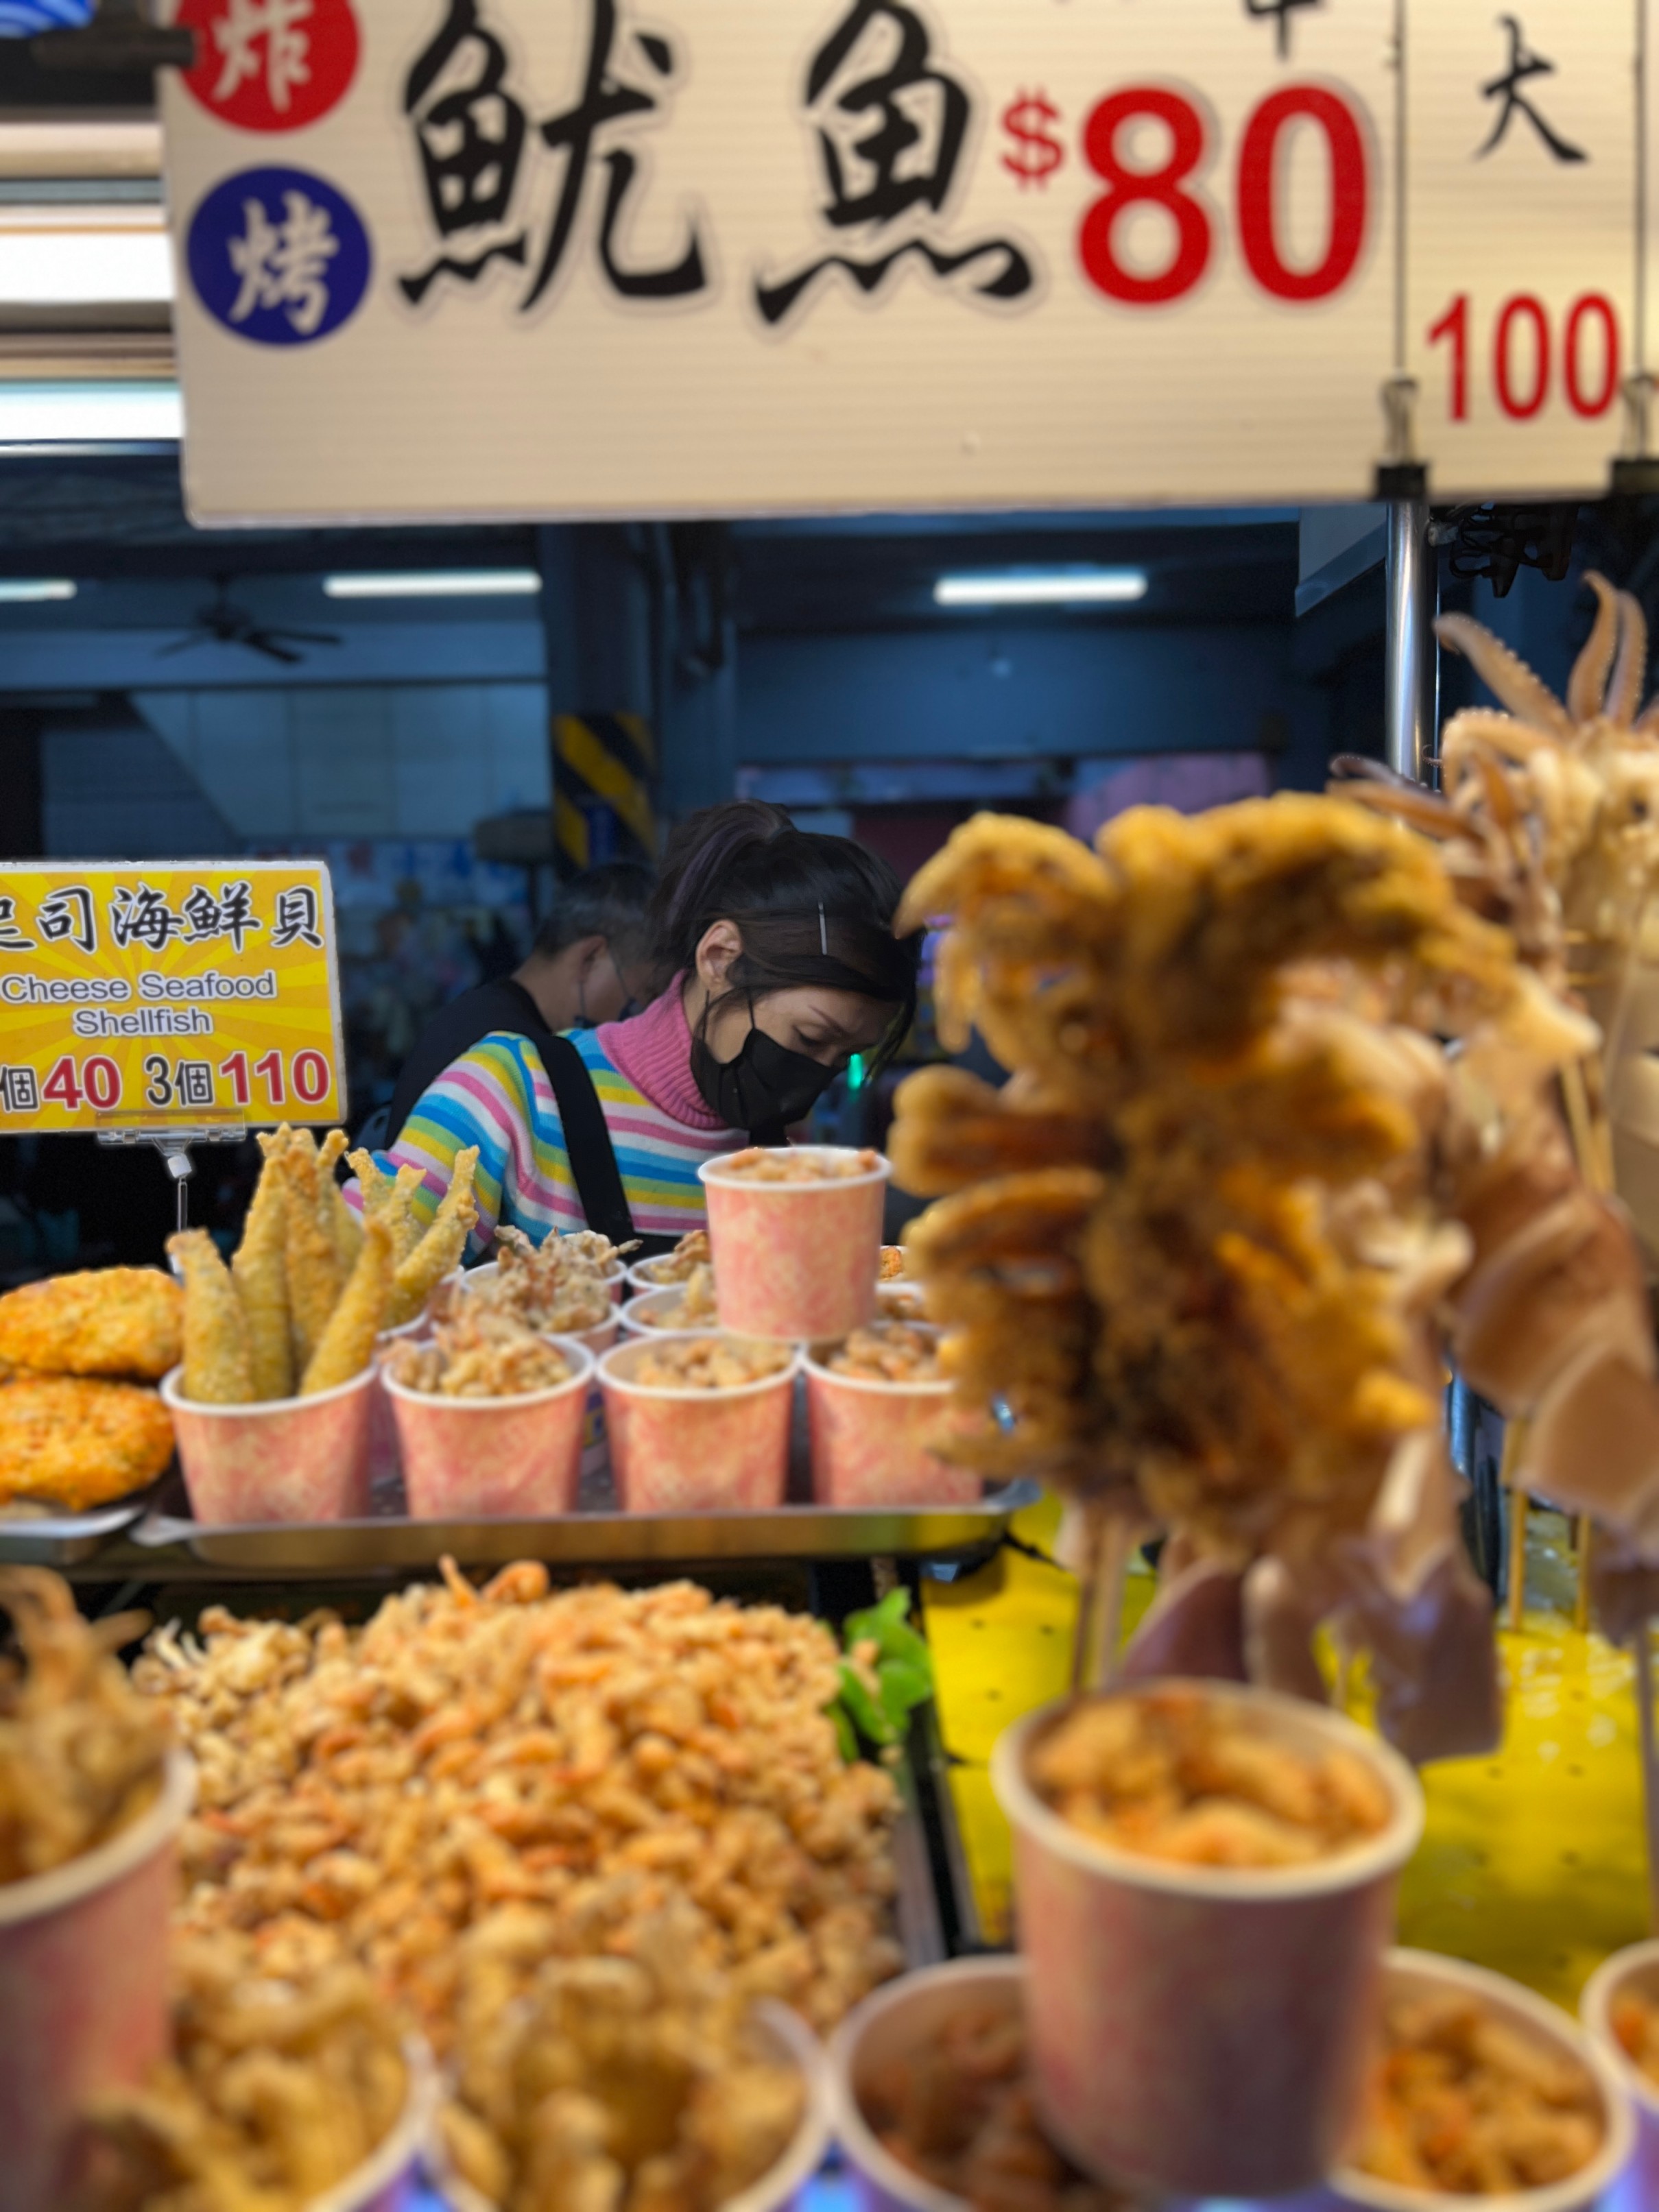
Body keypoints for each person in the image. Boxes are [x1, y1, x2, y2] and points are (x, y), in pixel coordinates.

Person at [358, 801, 920, 1257]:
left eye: (845, 1055)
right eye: (809, 1038)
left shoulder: (777, 1161)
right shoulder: (510, 1091)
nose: (810, 1084)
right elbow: (354, 1269)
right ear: (720, 957)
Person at [379, 861, 656, 1146]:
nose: (641, 1016)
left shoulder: (484, 1016)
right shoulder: (509, 1051)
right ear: (591, 958)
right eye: (644, 995)